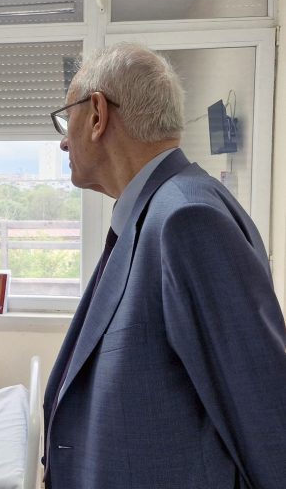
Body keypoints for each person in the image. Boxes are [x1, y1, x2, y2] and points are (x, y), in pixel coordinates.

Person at [42, 43, 286, 488]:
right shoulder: (151, 214)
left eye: (65, 118)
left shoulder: (187, 219)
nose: (62, 140)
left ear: (97, 115)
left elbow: (266, 416)